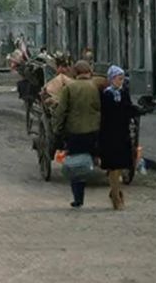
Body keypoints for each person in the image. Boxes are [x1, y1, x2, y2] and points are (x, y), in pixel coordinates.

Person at [53, 60, 101, 209]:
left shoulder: (69, 88)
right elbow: (99, 108)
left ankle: (78, 198)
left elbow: (61, 111)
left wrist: (57, 129)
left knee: (75, 163)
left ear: (75, 72)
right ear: (88, 72)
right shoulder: (95, 88)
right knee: (91, 156)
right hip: (93, 131)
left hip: (74, 131)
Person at [99, 65, 137, 210]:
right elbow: (105, 115)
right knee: (113, 167)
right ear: (112, 79)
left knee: (120, 165)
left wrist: (137, 111)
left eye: (122, 79)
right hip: (109, 134)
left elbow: (127, 109)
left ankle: (114, 192)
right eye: (118, 79)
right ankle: (116, 198)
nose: (121, 81)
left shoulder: (124, 93)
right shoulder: (106, 95)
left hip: (122, 134)